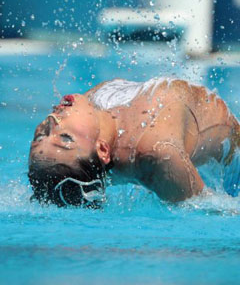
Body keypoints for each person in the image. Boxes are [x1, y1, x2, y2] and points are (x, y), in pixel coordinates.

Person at [28, 78, 240, 207]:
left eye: (40, 136)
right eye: (66, 139)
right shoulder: (156, 153)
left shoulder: (87, 109)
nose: (51, 123)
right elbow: (210, 209)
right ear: (102, 149)